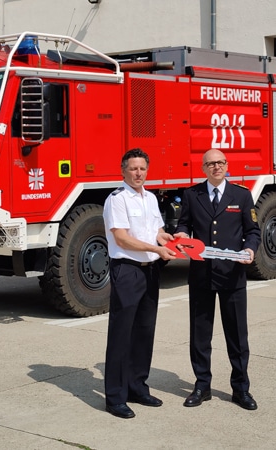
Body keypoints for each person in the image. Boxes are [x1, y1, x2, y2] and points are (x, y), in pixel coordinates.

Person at [174, 148, 261, 411]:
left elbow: (253, 231)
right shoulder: (192, 195)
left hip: (232, 277)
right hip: (201, 276)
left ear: (226, 165)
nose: (216, 167)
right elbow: (183, 225)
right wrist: (180, 237)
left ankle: (241, 389)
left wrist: (250, 250)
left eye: (220, 162)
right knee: (200, 335)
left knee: (237, 336)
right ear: (203, 168)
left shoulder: (242, 196)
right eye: (210, 164)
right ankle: (202, 386)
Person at [102, 148, 177, 419]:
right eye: (133, 168)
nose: (138, 173)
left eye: (142, 168)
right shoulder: (117, 199)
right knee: (122, 334)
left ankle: (137, 387)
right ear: (123, 169)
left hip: (150, 271)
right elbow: (121, 239)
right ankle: (115, 397)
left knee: (145, 331)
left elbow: (156, 231)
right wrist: (156, 250)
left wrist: (165, 239)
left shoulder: (151, 198)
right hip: (127, 271)